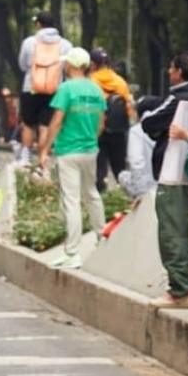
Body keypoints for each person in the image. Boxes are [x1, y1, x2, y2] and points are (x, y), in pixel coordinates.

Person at [141, 51, 188, 309]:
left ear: (179, 72)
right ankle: (185, 286)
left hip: (171, 171)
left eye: (171, 68)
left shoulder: (180, 96)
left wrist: (154, 123)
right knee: (182, 229)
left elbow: (149, 123)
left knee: (171, 232)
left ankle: (182, 290)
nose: (168, 73)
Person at [38, 47, 107, 269]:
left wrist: (45, 149)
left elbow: (57, 120)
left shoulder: (66, 89)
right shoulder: (97, 90)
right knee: (92, 194)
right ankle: (102, 237)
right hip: (90, 150)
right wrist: (90, 140)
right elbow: (101, 123)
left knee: (71, 200)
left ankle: (72, 252)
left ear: (72, 66)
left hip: (68, 150)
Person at [17, 12, 72, 167]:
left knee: (28, 123)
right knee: (45, 125)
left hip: (31, 87)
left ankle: (26, 157)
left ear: (38, 24)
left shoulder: (29, 42)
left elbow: (23, 65)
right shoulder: (66, 45)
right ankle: (43, 156)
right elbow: (67, 68)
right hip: (54, 90)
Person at [89, 48, 135, 192]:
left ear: (92, 64)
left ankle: (100, 196)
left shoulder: (91, 81)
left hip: (97, 129)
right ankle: (126, 197)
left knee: (99, 167)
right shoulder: (120, 82)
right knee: (120, 167)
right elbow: (129, 107)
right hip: (118, 130)